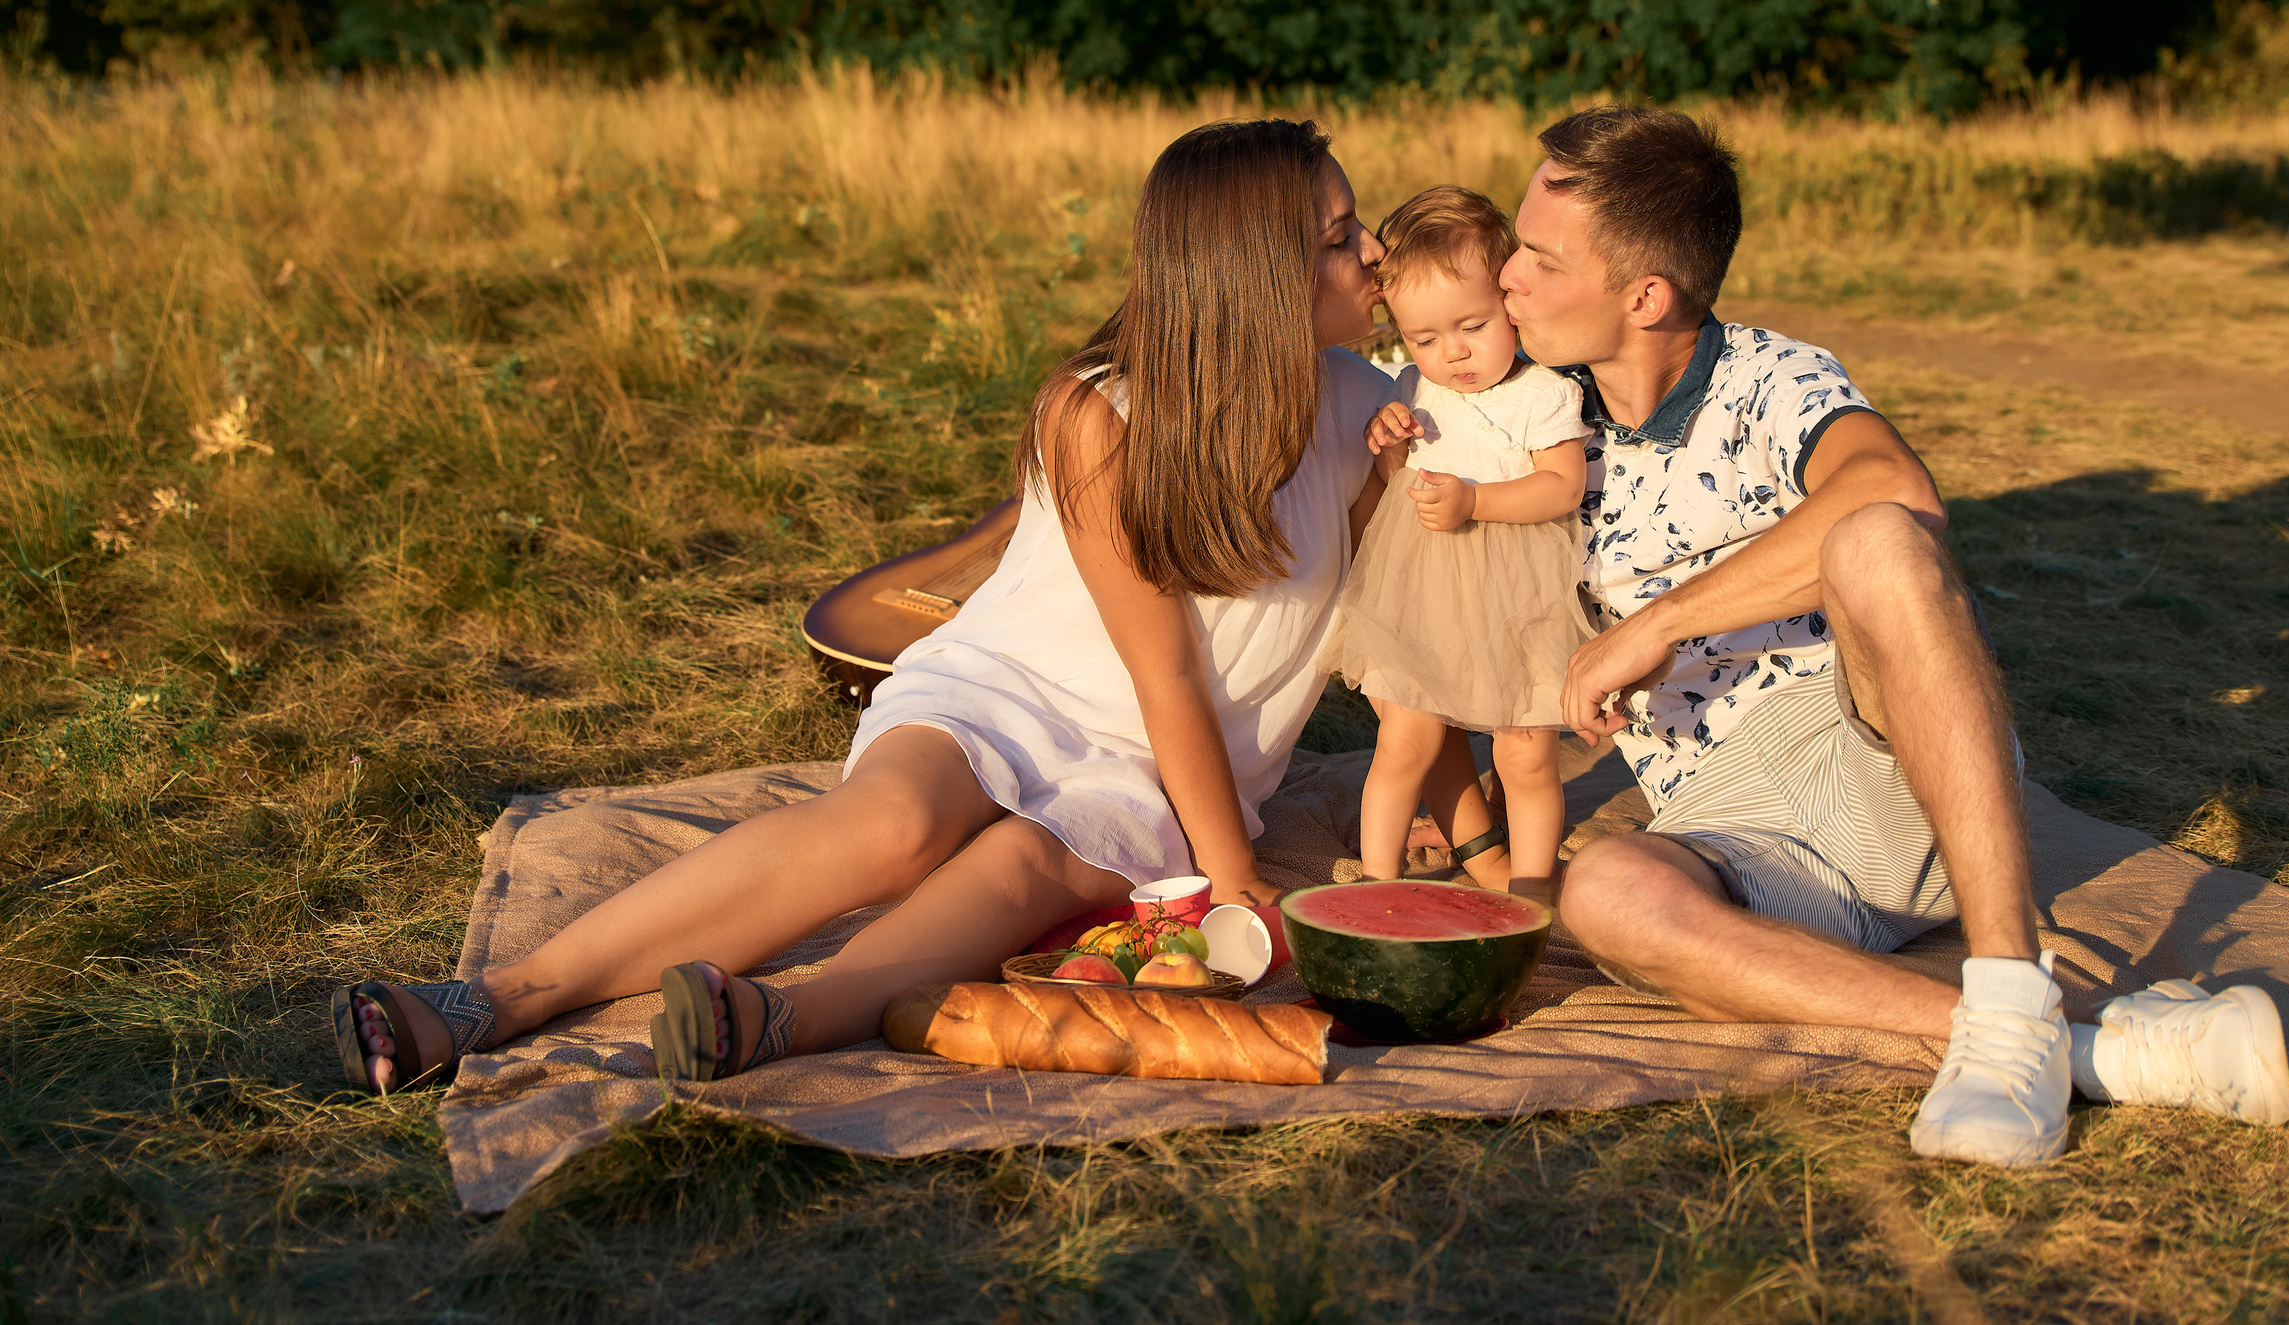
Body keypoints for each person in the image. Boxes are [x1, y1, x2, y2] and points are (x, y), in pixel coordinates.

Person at [332, 117, 1470, 1091]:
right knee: (891, 825)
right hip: (1013, 686)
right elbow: (1162, 663)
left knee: (1023, 867)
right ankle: (497, 999)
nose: (1374, 255)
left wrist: (1440, 795)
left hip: (1168, 762)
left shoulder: (1372, 413)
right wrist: (1236, 882)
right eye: (1337, 237)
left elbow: (1403, 625)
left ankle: (786, 1017)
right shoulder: (1100, 411)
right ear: (1246, 271)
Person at [1506, 106, 2289, 1167]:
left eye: (1536, 256)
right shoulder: (1536, 417)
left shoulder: (1767, 377)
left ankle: (2008, 973)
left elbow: (1895, 484)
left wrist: (1660, 623)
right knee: (1603, 888)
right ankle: (2077, 1046)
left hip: (1884, 749)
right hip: (1738, 827)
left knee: (1878, 536)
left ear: (1642, 296)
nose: (1507, 275)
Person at [1332, 187, 1592, 902]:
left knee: (1527, 750)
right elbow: (1399, 480)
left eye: (1473, 325)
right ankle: (1375, 884)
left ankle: (1531, 888)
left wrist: (1476, 500)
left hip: (1519, 590)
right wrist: (1390, 447)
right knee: (1404, 738)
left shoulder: (1542, 391)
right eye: (1425, 339)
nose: (1453, 352)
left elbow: (1562, 485)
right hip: (1427, 590)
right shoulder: (1416, 386)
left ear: (1509, 299)